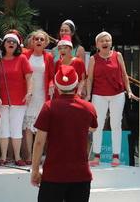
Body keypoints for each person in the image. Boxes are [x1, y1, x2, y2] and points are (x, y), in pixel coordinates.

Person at [31, 65, 97, 202]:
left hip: (54, 175)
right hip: (81, 175)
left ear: (56, 85)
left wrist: (35, 170)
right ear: (77, 84)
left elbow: (38, 142)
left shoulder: (49, 107)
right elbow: (93, 128)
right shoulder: (88, 107)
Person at [86, 31, 137, 167]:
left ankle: (116, 156)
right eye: (102, 41)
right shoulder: (93, 59)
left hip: (117, 95)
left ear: (111, 43)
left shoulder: (118, 55)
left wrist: (129, 91)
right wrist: (87, 94)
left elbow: (125, 75)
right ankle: (96, 156)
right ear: (97, 44)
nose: (105, 43)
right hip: (99, 95)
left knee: (116, 124)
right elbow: (89, 79)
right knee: (97, 125)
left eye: (107, 40)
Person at [0, 33, 33, 166]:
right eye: (8, 41)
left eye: (14, 42)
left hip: (19, 100)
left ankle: (18, 157)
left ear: (17, 45)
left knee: (16, 129)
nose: (11, 44)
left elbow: (29, 77)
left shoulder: (22, 58)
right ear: (4, 44)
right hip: (3, 101)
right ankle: (3, 157)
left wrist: (29, 93)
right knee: (4, 129)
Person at [23, 30, 55, 165]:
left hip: (42, 95)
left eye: (42, 39)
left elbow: (52, 76)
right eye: (36, 39)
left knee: (42, 127)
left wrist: (52, 85)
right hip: (28, 94)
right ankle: (29, 156)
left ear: (46, 42)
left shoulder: (48, 57)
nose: (39, 41)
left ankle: (41, 155)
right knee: (29, 127)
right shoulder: (25, 55)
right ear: (32, 41)